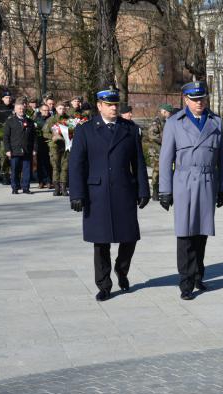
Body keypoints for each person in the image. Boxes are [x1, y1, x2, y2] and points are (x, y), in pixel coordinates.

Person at [69, 88, 150, 302]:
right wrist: (76, 194)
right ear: (99, 105)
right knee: (101, 241)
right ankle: (104, 284)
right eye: (109, 104)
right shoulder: (85, 130)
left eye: (116, 104)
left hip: (124, 190)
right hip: (98, 192)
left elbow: (138, 163)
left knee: (130, 237)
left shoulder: (129, 129)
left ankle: (121, 270)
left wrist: (144, 189)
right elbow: (76, 165)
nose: (114, 108)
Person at [159, 81, 223, 300]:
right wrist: (165, 190)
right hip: (184, 183)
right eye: (194, 99)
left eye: (202, 99)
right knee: (185, 234)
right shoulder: (174, 123)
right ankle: (186, 282)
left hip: (207, 181)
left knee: (202, 233)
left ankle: (199, 274)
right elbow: (165, 159)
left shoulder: (216, 122)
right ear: (186, 100)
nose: (199, 103)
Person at [3, 97, 37, 194]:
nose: (21, 110)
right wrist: (7, 149)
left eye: (22, 108)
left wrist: (35, 149)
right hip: (14, 150)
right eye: (19, 109)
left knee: (26, 170)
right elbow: (6, 137)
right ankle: (15, 187)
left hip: (27, 150)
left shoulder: (30, 122)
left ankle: (26, 187)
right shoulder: (10, 121)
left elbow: (34, 137)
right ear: (15, 109)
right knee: (15, 170)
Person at [42, 100, 71, 196]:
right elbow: (45, 133)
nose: (62, 110)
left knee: (65, 167)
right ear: (56, 109)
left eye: (63, 108)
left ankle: (63, 188)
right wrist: (53, 137)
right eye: (60, 108)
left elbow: (73, 130)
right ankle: (56, 188)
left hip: (66, 146)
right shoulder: (51, 120)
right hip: (54, 146)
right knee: (55, 167)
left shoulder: (69, 119)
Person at [146, 103, 172, 201]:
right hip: (155, 151)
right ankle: (155, 191)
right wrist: (164, 141)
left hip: (162, 151)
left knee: (162, 171)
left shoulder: (165, 121)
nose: (170, 115)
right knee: (156, 171)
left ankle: (161, 190)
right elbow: (151, 135)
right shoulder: (156, 122)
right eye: (169, 112)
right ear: (164, 112)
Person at [0, 90, 15, 185]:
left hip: (14, 136)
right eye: (6, 98)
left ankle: (12, 174)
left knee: (12, 156)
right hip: (3, 136)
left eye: (9, 97)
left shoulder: (14, 108)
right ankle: (4, 174)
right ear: (2, 98)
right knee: (3, 156)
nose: (8, 99)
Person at [34, 104, 53, 188]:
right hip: (39, 143)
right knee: (40, 163)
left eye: (47, 110)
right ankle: (40, 181)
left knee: (48, 163)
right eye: (44, 110)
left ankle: (48, 181)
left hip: (49, 143)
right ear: (40, 111)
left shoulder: (51, 119)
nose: (46, 112)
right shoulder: (36, 119)